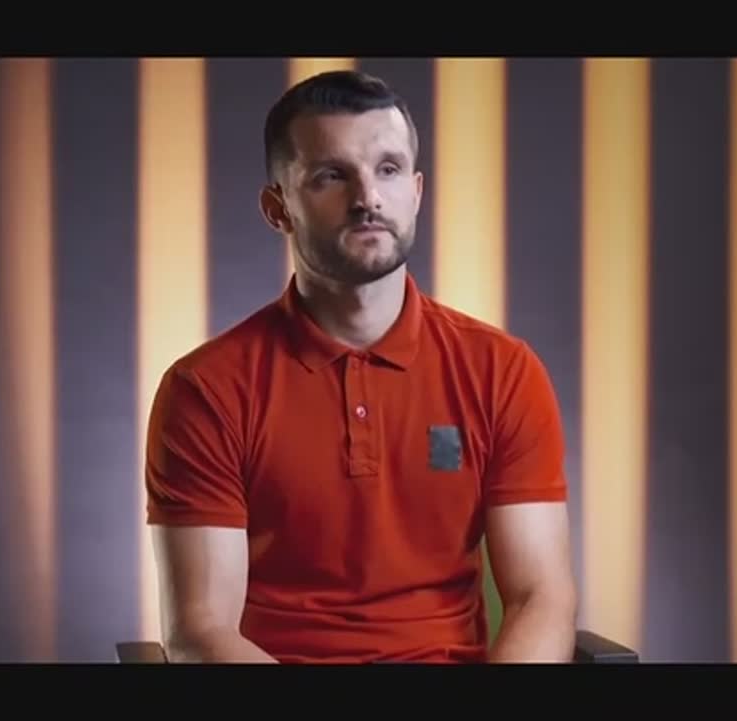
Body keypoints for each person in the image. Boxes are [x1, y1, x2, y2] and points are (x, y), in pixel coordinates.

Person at [143, 69, 577, 663]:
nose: (367, 197)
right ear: (277, 208)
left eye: (388, 169)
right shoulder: (206, 390)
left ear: (416, 192)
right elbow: (201, 629)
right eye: (331, 175)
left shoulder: (503, 372)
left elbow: (541, 598)